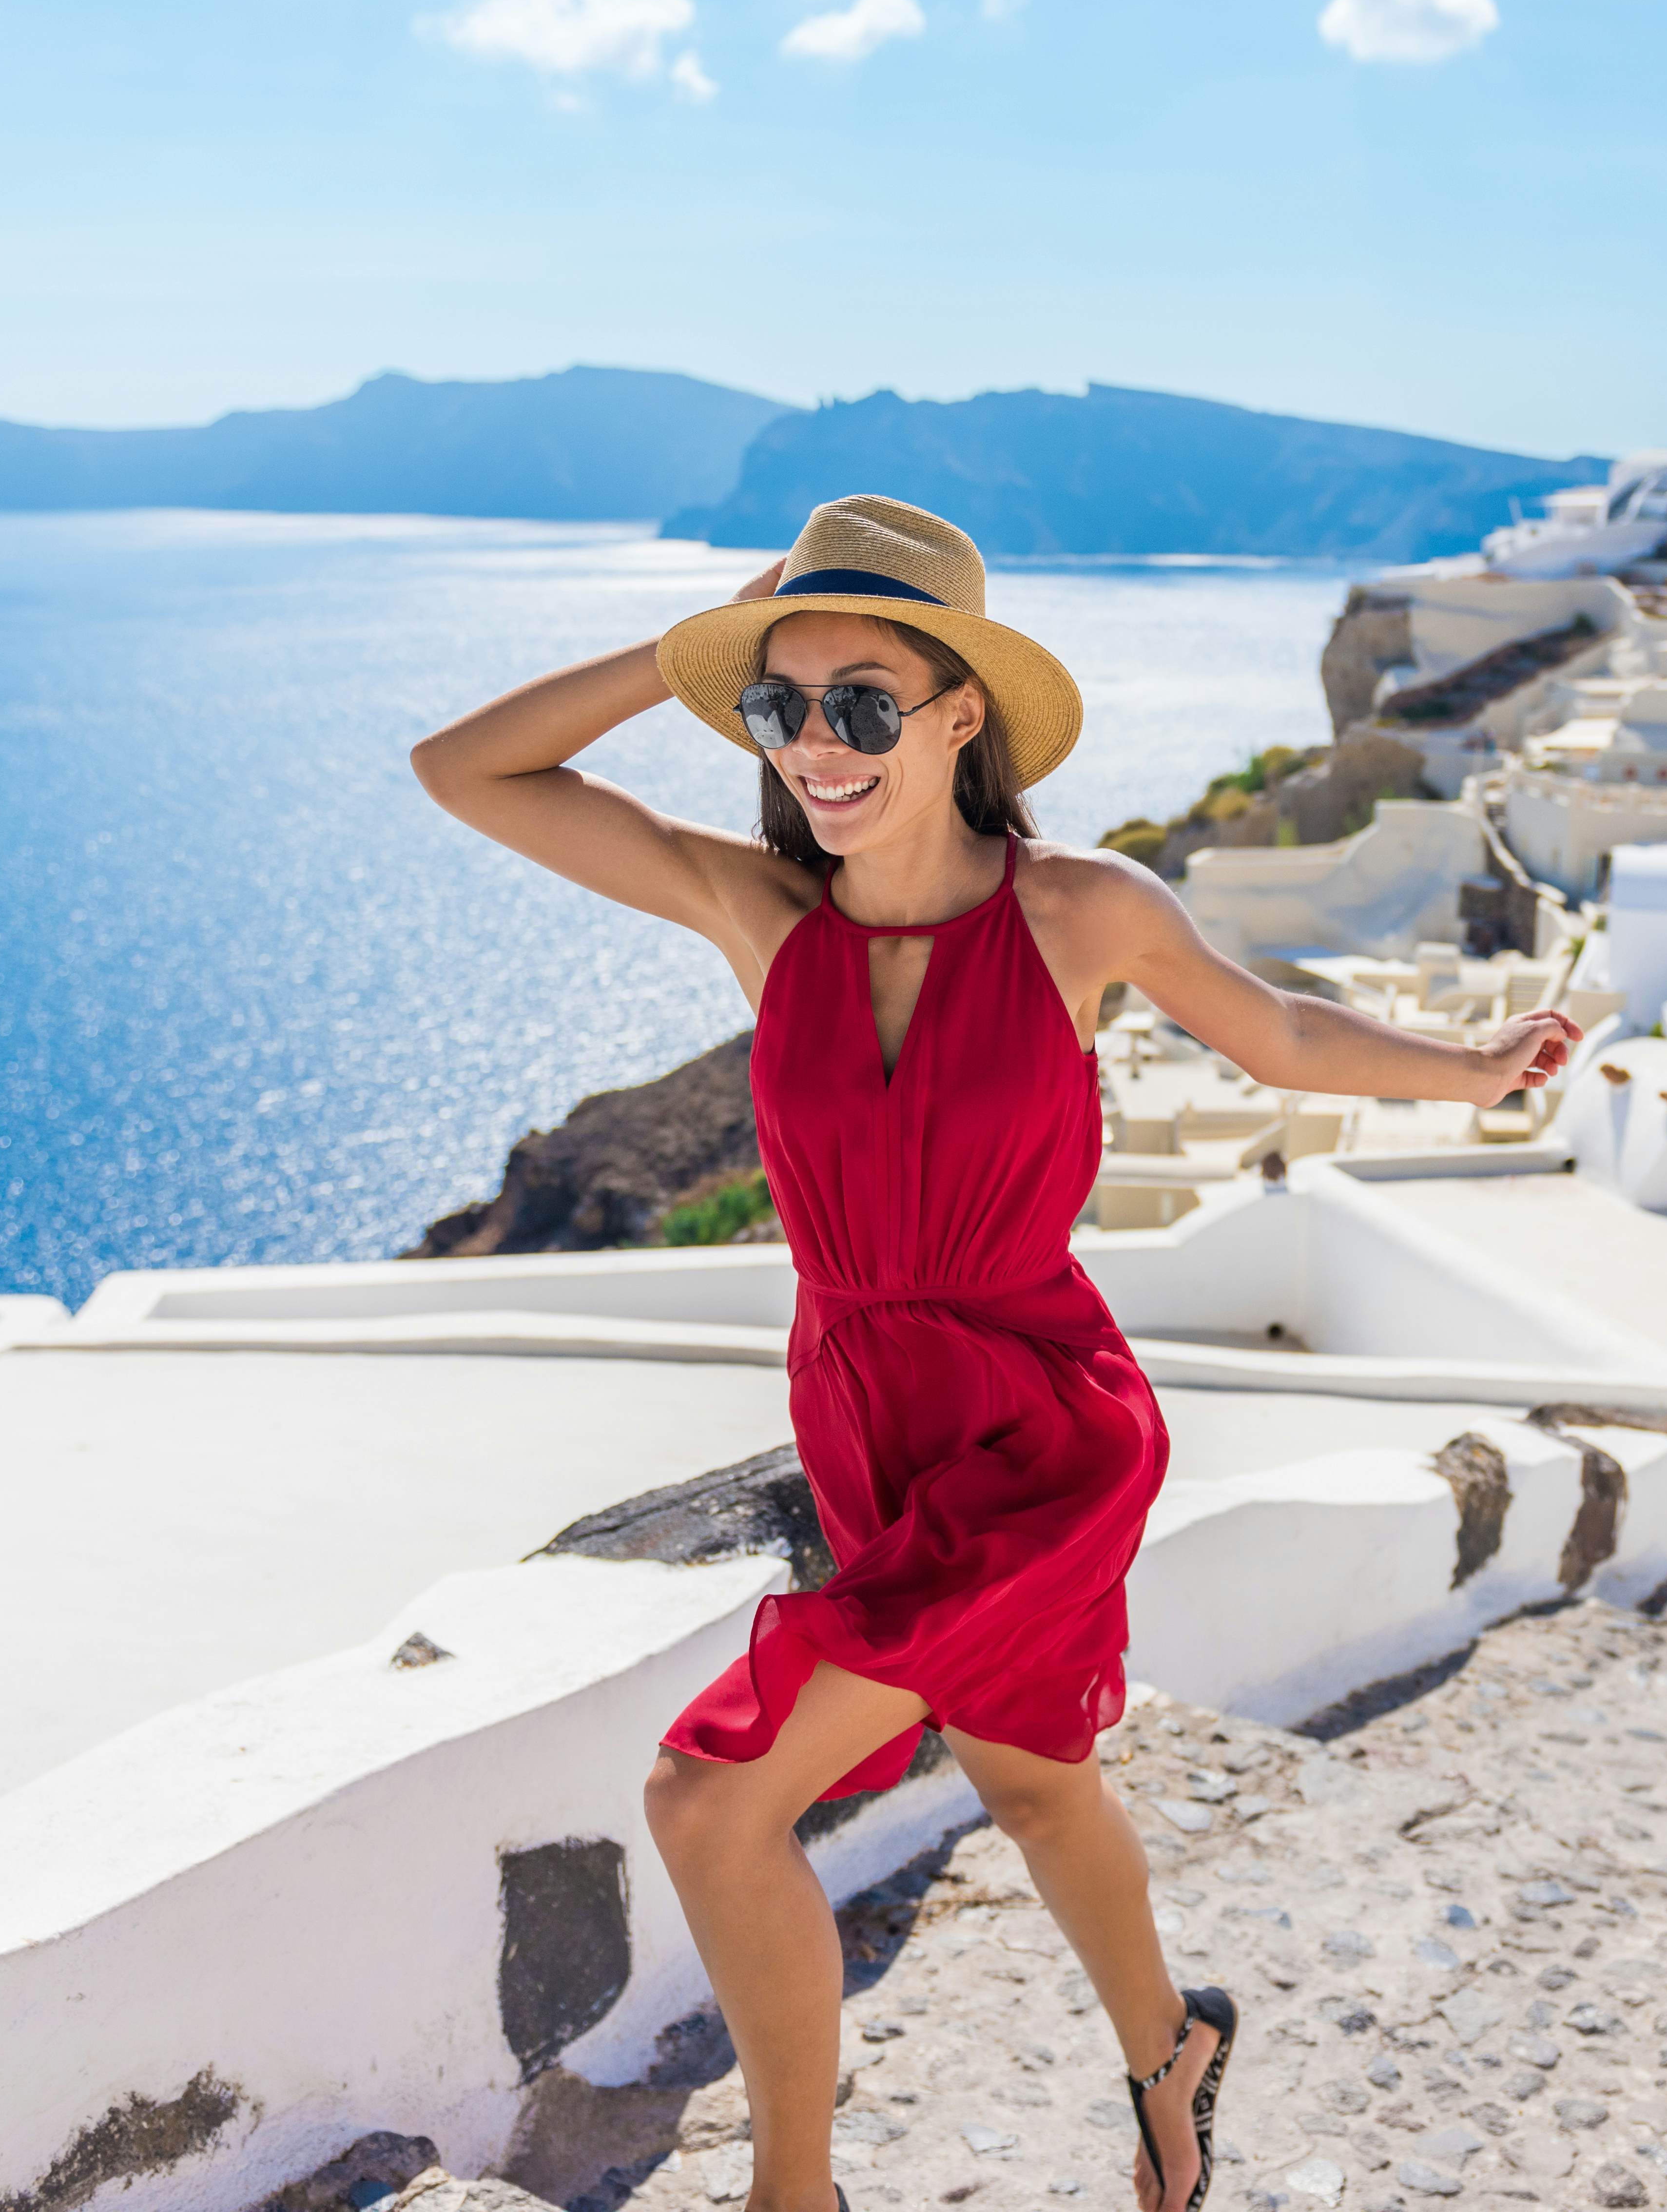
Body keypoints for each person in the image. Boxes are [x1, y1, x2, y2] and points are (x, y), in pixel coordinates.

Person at [410, 496, 1579, 2212]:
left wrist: (1468, 1071)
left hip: (1041, 1434)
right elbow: (465, 771)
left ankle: (793, 2197)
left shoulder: (1079, 912)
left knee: (712, 1800)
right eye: (781, 705)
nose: (817, 745)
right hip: (869, 1427)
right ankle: (1171, 2050)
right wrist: (692, 649)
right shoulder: (760, 911)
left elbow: (1276, 1031)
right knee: (1034, 1784)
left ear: (964, 714)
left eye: (863, 703)